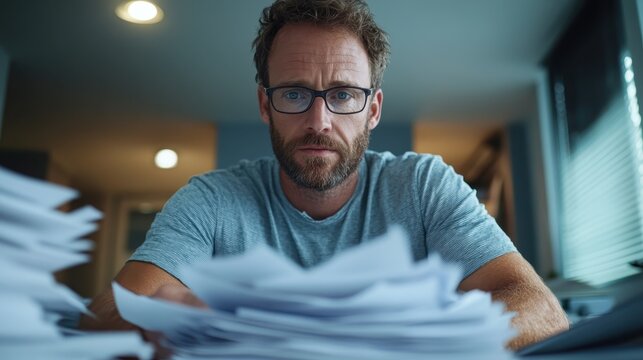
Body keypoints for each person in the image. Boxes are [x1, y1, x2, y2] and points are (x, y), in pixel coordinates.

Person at [81, 0, 569, 350]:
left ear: (373, 109)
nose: (319, 122)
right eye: (294, 94)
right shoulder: (210, 201)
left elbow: (541, 309)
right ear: (264, 105)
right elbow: (104, 315)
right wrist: (157, 322)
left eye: (343, 95)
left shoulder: (424, 186)